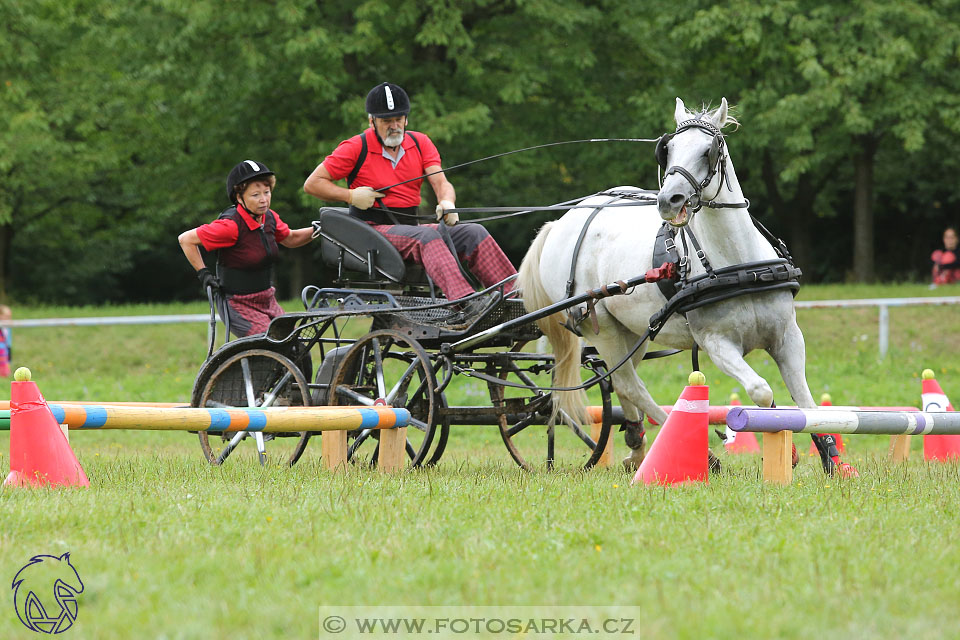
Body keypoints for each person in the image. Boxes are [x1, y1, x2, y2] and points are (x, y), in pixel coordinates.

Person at [303, 81, 516, 317]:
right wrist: (350, 195)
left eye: (399, 119)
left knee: (473, 232)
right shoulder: (355, 147)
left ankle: (514, 299)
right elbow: (312, 184)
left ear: (407, 119)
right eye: (386, 121)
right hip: (372, 230)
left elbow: (440, 182)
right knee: (426, 236)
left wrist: (447, 202)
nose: (394, 126)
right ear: (371, 121)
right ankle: (465, 304)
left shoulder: (420, 142)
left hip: (408, 227)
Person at [178, 160, 316, 337]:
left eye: (266, 193)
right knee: (271, 344)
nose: (263, 200)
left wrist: (321, 229)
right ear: (238, 197)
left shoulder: (269, 218)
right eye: (255, 195)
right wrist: (203, 273)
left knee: (296, 343)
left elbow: (290, 238)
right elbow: (186, 240)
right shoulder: (230, 226)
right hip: (238, 304)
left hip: (267, 299)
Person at [0, 305, 12, 377]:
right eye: (6, 316)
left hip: (6, 348)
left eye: (10, 316)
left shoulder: (8, 327)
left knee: (6, 364)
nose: (9, 318)